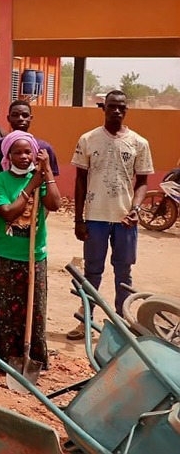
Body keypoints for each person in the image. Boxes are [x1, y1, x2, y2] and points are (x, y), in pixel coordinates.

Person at [69, 90, 153, 339]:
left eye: (121, 107)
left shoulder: (139, 143)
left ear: (126, 110)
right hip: (95, 217)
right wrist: (78, 219)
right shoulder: (88, 139)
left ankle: (123, 323)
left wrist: (135, 210)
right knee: (92, 271)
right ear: (103, 108)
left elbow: (143, 182)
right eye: (112, 107)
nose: (116, 111)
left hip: (125, 220)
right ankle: (85, 320)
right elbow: (80, 181)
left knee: (123, 272)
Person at [0, 131, 60, 366]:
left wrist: (47, 171)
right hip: (5, 254)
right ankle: (5, 357)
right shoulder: (0, 180)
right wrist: (31, 185)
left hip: (34, 254)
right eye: (17, 152)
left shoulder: (40, 177)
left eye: (28, 151)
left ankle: (34, 357)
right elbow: (8, 212)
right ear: (8, 154)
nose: (23, 156)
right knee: (5, 309)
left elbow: (55, 204)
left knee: (34, 308)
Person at [0, 100, 60, 176]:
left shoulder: (44, 147)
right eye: (15, 115)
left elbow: (51, 178)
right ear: (8, 118)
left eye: (25, 115)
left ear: (30, 118)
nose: (20, 118)